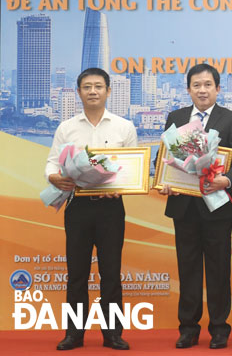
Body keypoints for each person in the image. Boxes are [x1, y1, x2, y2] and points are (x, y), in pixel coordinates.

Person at [45, 68, 137, 351]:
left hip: (111, 208)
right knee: (76, 274)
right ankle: (74, 334)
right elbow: (52, 163)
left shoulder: (124, 127)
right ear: (79, 92)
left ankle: (112, 334)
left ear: (108, 91)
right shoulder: (66, 128)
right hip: (78, 207)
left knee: (111, 273)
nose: (93, 91)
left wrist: (122, 186)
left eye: (98, 86)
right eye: (87, 87)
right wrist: (53, 177)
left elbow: (133, 171)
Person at [158, 63, 232, 349]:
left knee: (219, 269)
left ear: (217, 88)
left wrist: (228, 180)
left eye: (208, 84)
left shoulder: (231, 119)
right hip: (183, 205)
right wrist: (165, 181)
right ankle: (188, 328)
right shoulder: (176, 117)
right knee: (188, 269)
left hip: (217, 206)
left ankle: (220, 328)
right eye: (196, 85)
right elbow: (165, 158)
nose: (202, 90)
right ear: (188, 89)